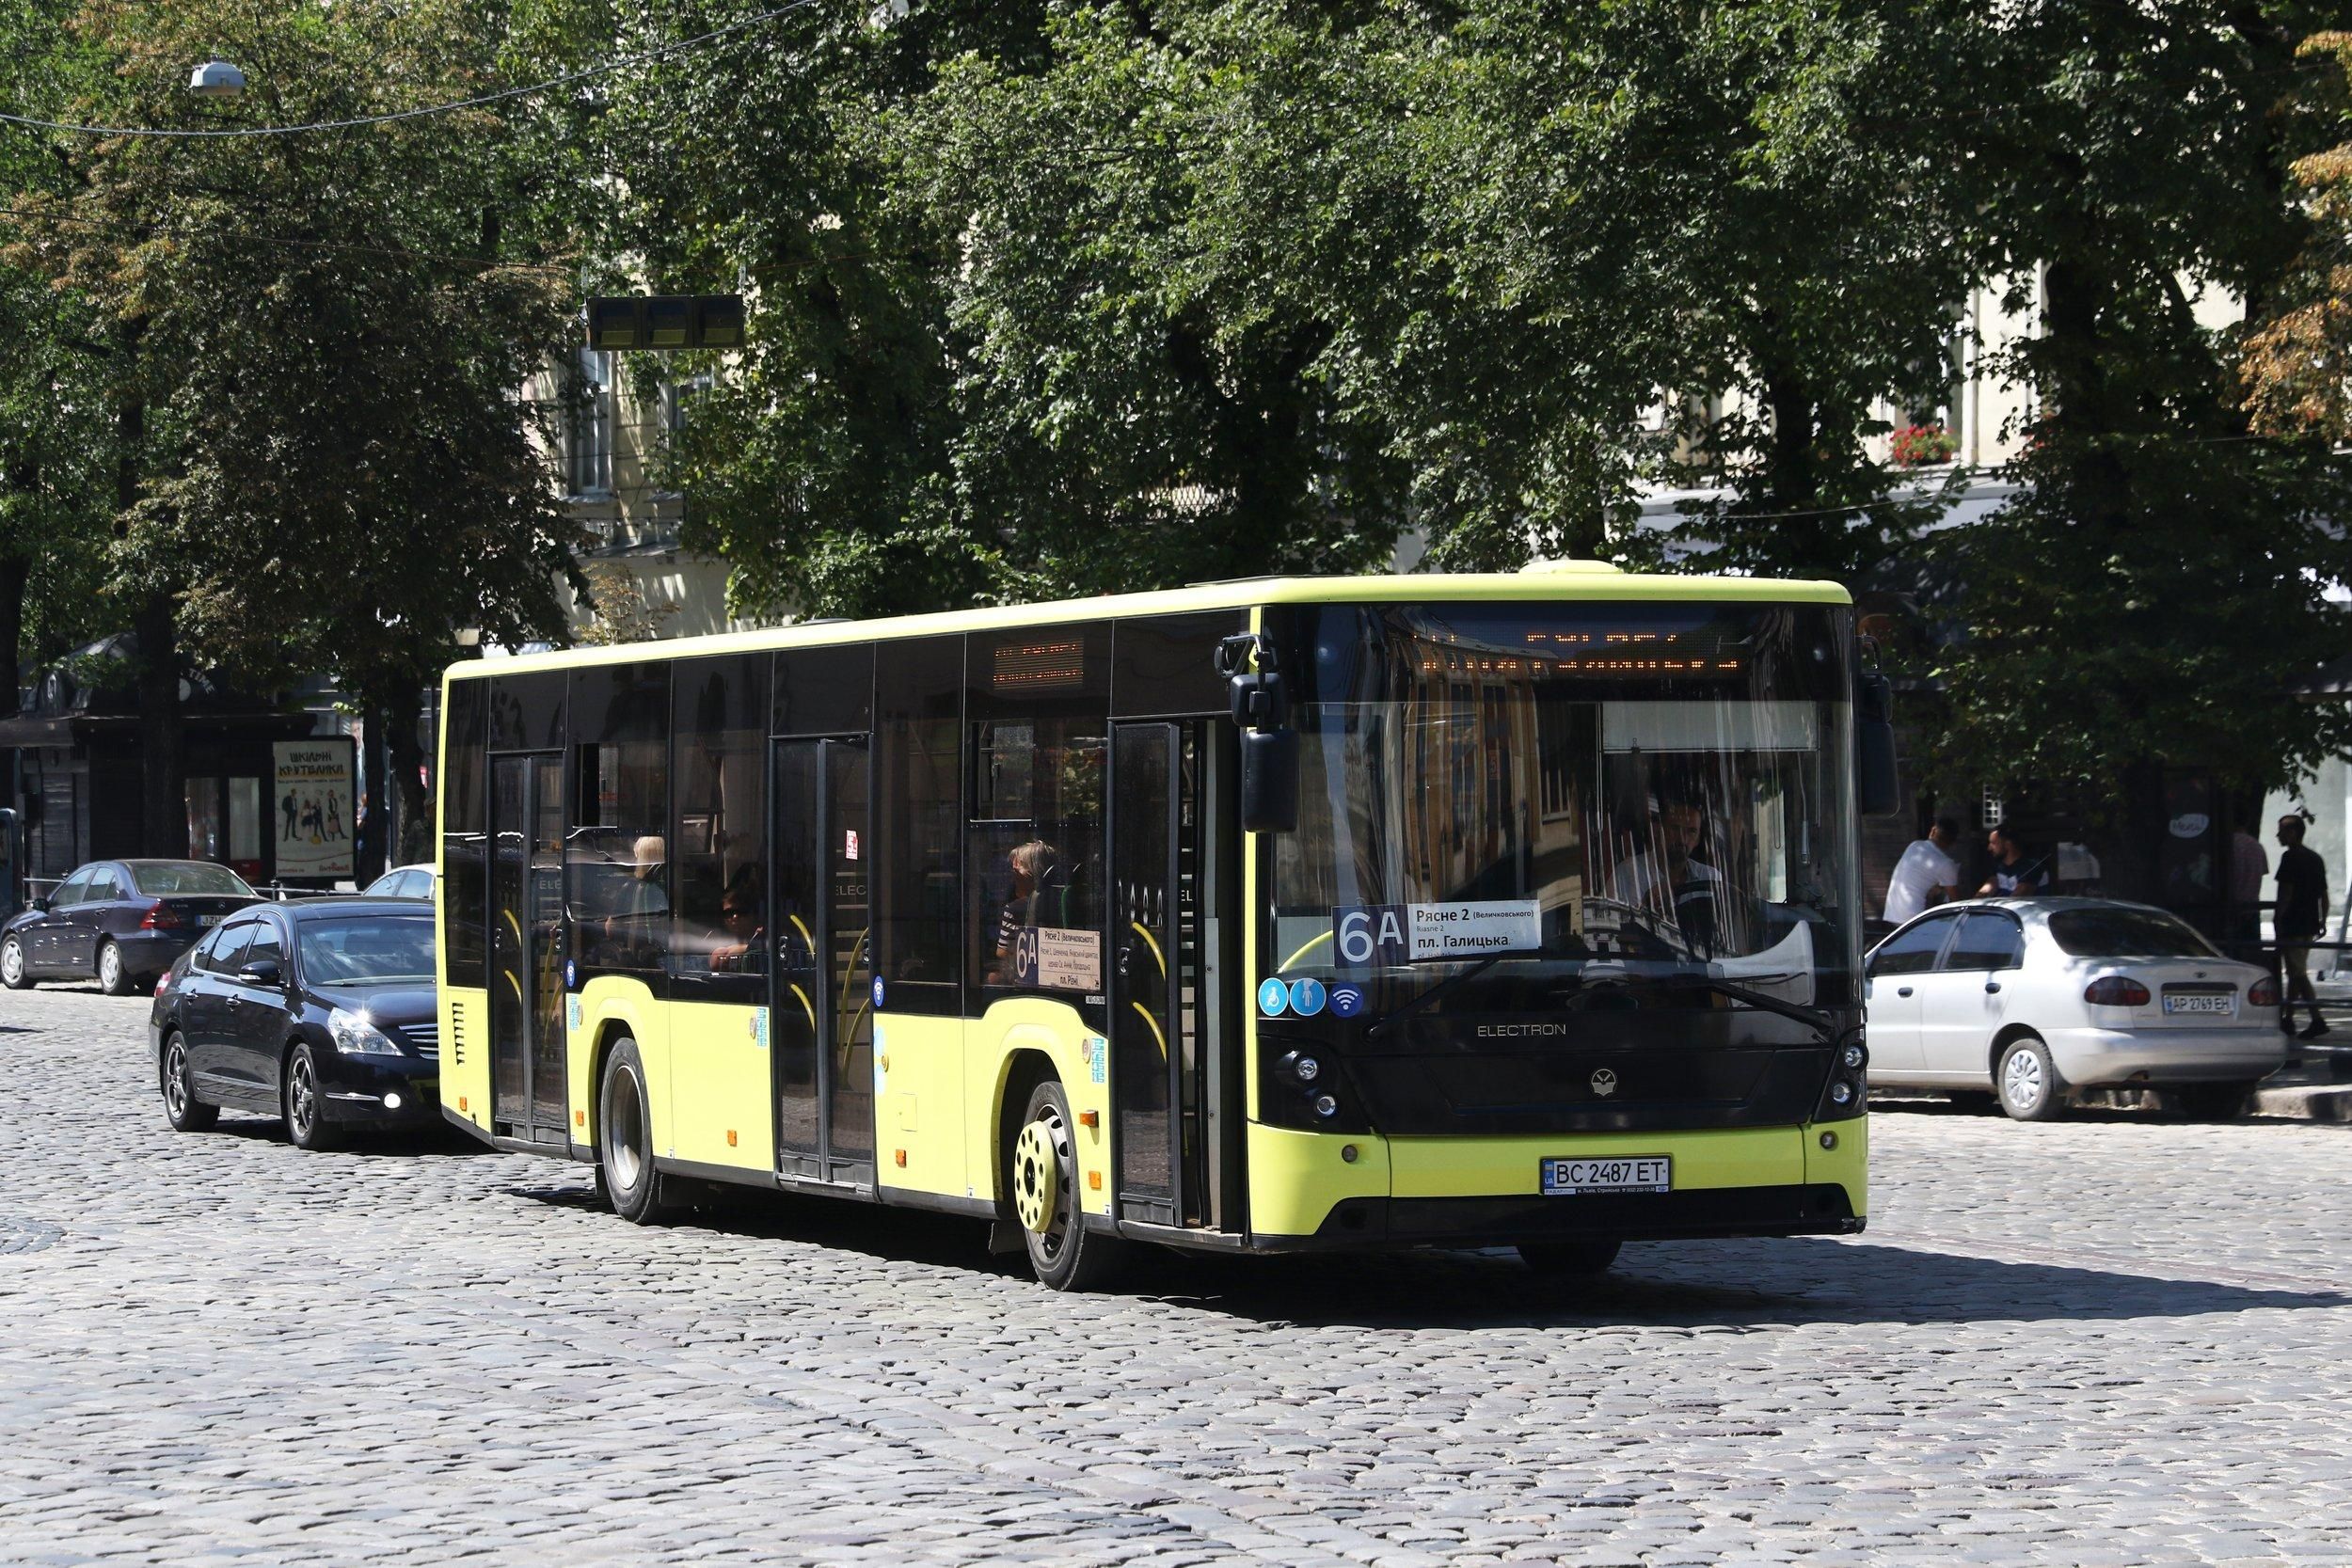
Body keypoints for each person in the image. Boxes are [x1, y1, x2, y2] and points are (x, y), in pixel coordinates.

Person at [2273, 814, 2329, 1039]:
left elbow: (2286, 893)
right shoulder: (2315, 858)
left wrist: (2278, 919)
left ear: (2293, 832)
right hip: (2309, 923)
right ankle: (2289, 1018)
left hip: (2292, 923)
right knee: (2295, 972)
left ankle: (2317, 1019)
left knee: (2297, 972)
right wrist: (2322, 920)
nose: (2278, 835)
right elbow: (2323, 895)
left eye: (2282, 831)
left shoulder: (2289, 858)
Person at [991, 840, 1056, 983]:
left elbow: (1002, 952)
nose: (1012, 876)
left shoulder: (1014, 909)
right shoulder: (1057, 900)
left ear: (1032, 873)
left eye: (1016, 870)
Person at [1883, 816, 1963, 925]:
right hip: (1912, 916)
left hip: (1892, 911)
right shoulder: (1946, 864)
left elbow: (1919, 877)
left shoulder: (1915, 846)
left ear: (1933, 830)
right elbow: (1956, 901)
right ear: (1953, 842)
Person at [1979, 821, 2050, 896]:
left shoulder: (2032, 867)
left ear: (2008, 844)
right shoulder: (1998, 867)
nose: (1989, 848)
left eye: (1993, 843)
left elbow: (2018, 899)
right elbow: (1986, 890)